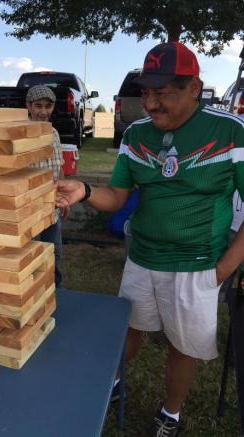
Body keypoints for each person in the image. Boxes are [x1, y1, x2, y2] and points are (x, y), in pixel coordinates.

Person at [55, 42, 244, 436]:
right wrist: (85, 192)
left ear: (194, 88)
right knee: (129, 329)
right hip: (141, 258)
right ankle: (113, 383)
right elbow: (118, 196)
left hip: (197, 266)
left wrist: (222, 269)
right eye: (146, 93)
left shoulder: (230, 132)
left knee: (182, 345)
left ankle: (170, 414)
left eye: (164, 93)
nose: (152, 104)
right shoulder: (137, 134)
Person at [26, 85, 68, 288]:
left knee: (54, 251)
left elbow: (58, 168)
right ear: (28, 106)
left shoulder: (54, 133)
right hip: (30, 209)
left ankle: (54, 292)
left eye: (48, 106)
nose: (43, 111)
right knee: (32, 253)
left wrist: (63, 196)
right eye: (38, 106)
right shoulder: (21, 135)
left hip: (53, 206)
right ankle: (32, 294)